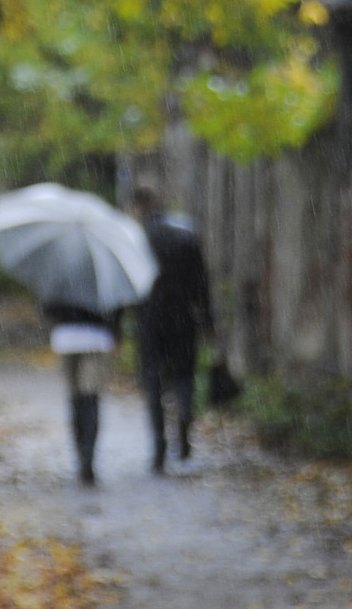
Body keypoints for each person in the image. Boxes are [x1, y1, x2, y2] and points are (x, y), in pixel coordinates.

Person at [130, 184, 213, 474]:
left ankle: (159, 447)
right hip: (183, 317)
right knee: (184, 376)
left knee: (152, 380)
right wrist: (208, 321)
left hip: (150, 319)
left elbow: (129, 285)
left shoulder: (137, 240)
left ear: (138, 207)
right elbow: (202, 283)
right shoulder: (186, 235)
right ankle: (185, 426)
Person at [41, 301, 122, 486]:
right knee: (91, 397)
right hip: (96, 338)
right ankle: (88, 458)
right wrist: (114, 331)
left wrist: (66, 315)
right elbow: (116, 306)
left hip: (66, 338)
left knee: (75, 397)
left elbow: (47, 307)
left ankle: (80, 454)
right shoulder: (104, 277)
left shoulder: (62, 275)